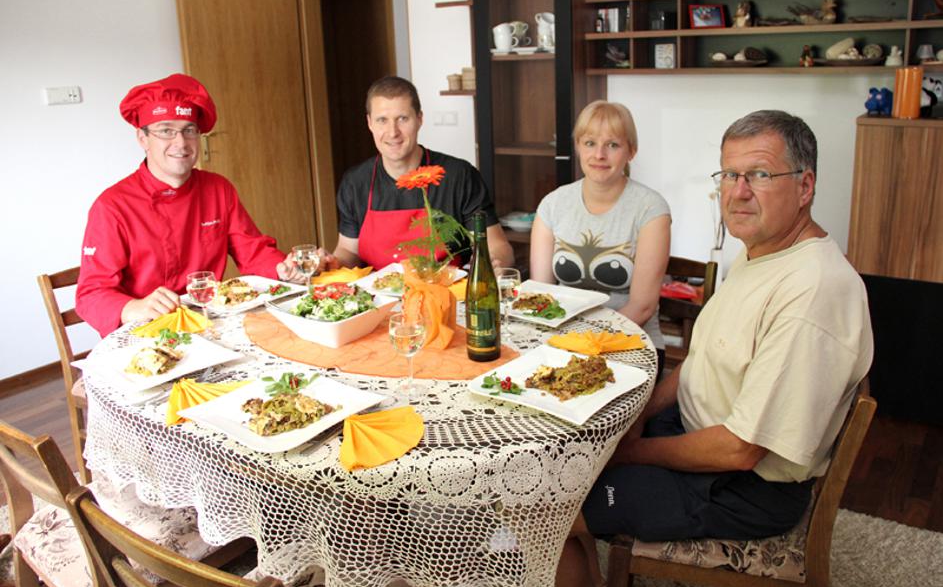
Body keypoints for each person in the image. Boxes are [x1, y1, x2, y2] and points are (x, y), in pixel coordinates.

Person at [556, 110, 874, 587]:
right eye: (729, 174)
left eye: (760, 174)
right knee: (568, 455)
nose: (738, 191)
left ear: (805, 186)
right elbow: (702, 361)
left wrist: (630, 451)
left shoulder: (812, 291)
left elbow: (741, 449)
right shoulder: (761, 250)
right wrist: (641, 414)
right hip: (696, 431)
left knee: (555, 505)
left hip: (740, 487)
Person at [76, 73, 302, 336]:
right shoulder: (112, 206)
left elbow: (252, 251)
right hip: (148, 333)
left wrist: (283, 267)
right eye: (166, 131)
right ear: (142, 138)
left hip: (210, 322)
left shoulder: (218, 188)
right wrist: (134, 307)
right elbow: (91, 294)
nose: (181, 142)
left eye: (189, 130)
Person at [530, 101, 670, 371]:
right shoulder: (552, 204)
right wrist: (566, 344)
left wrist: (586, 344)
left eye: (613, 145)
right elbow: (542, 292)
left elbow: (642, 306)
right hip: (563, 340)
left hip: (630, 340)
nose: (599, 155)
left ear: (631, 151)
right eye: (590, 143)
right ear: (578, 147)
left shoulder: (651, 209)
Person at [323, 76, 514, 271]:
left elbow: (498, 246)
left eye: (402, 119)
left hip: (447, 288)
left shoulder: (459, 176)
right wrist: (333, 263)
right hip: (376, 290)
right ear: (369, 123)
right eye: (382, 120)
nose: (392, 132)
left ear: (419, 119)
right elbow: (349, 251)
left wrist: (492, 263)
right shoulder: (355, 182)